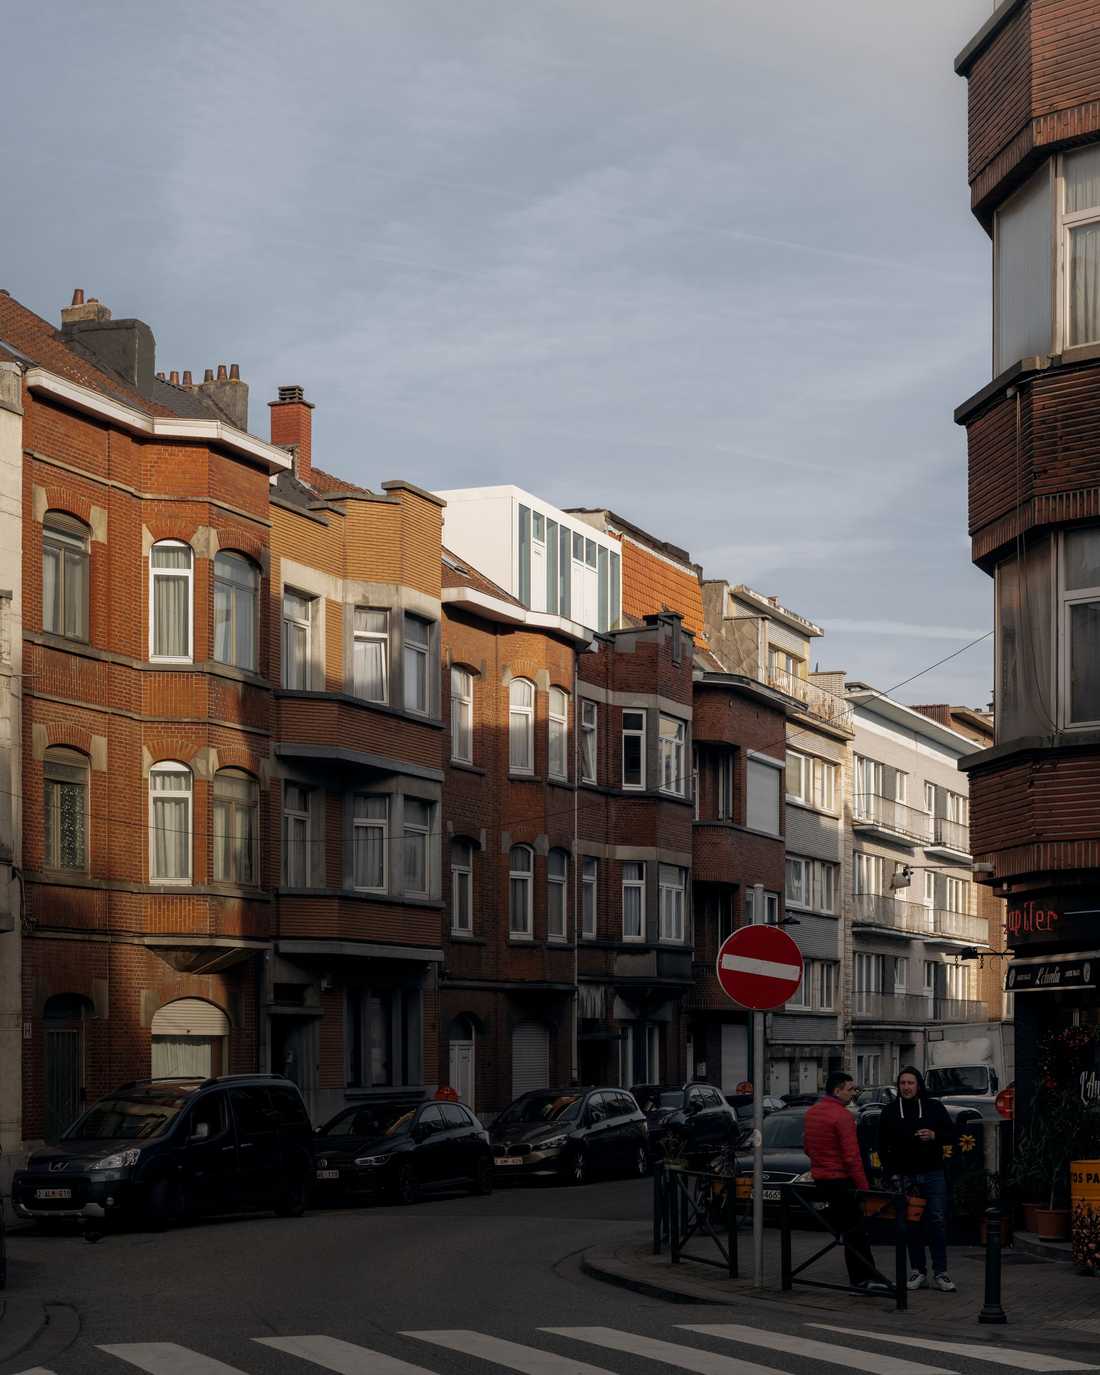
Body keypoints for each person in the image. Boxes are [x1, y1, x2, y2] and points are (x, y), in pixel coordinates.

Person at [804, 1070, 891, 1294]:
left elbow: (807, 1147)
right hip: (841, 1181)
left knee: (848, 1231)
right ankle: (863, 1280)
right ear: (837, 1090)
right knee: (857, 1232)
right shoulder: (842, 1116)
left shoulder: (812, 1112)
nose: (854, 1094)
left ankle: (864, 1278)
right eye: (850, 1089)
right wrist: (864, 1187)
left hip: (820, 1179)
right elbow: (852, 1157)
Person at [878, 1065, 956, 1293]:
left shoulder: (934, 1107)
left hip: (933, 1174)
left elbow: (951, 1134)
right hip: (905, 1176)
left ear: (918, 1085)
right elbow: (882, 1146)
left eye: (910, 1083)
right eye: (902, 1083)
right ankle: (918, 1271)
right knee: (912, 1224)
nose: (906, 1087)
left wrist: (934, 1135)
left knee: (937, 1221)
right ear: (898, 1086)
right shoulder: (890, 1111)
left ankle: (941, 1272)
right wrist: (891, 1172)